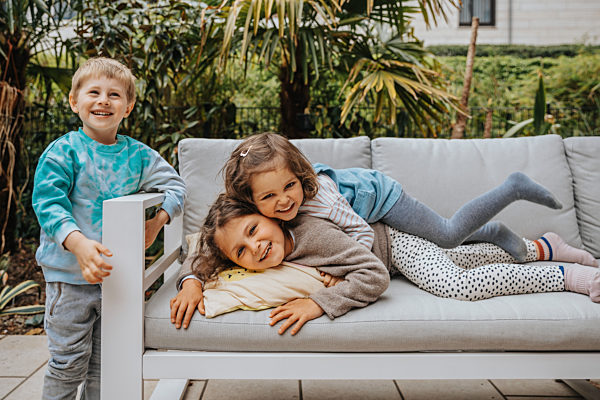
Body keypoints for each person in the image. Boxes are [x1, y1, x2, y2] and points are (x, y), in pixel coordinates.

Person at [186, 194, 600, 336]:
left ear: (270, 214)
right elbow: (201, 253)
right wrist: (191, 281)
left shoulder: (313, 235)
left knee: (457, 282)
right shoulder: (244, 250)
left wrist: (321, 302)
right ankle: (544, 247)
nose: (255, 247)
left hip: (393, 247)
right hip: (395, 254)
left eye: (255, 229)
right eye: (241, 251)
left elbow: (375, 276)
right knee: (464, 256)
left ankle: (570, 276)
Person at [32, 57, 186, 400]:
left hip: (117, 279)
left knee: (108, 363)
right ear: (75, 102)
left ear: (128, 106)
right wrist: (79, 244)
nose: (104, 100)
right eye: (94, 92)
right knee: (69, 362)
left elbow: (177, 186)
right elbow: (47, 203)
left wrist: (157, 222)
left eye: (114, 95)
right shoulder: (63, 152)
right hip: (69, 278)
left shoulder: (139, 156)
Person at [222, 132, 565, 262]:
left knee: (446, 235)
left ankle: (511, 189)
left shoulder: (322, 201)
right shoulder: (256, 213)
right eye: (269, 196)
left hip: (384, 198)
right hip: (364, 202)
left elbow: (362, 234)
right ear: (251, 201)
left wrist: (341, 270)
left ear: (299, 175)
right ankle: (493, 231)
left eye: (289, 187)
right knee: (435, 237)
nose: (284, 201)